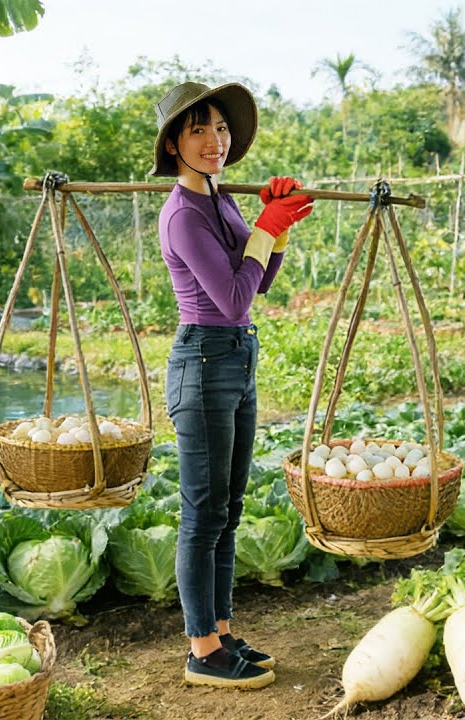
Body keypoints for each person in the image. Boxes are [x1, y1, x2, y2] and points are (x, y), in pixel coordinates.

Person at [152, 81, 314, 690]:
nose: (214, 140)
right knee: (202, 512)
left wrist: (279, 228)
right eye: (198, 130)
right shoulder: (181, 215)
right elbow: (232, 294)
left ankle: (219, 630)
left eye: (220, 128)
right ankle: (201, 651)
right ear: (174, 145)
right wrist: (266, 228)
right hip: (202, 360)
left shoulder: (220, 201)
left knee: (229, 509)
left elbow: (260, 280)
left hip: (238, 356)